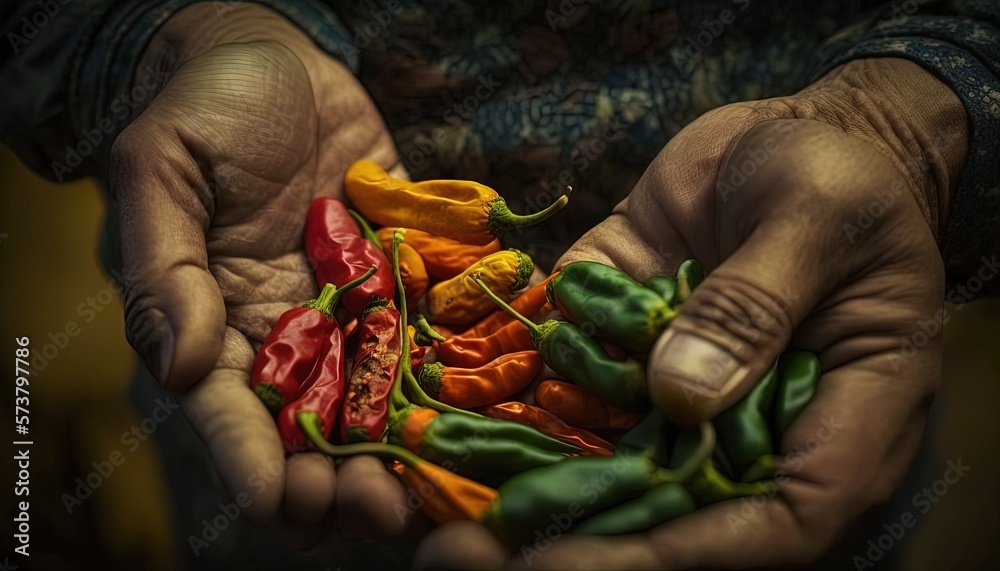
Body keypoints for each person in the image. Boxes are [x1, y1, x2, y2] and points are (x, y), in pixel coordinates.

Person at [2, 1, 996, 569]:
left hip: (814, 304)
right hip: (254, 316)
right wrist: (169, 31)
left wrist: (912, 126)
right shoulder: (413, 281)